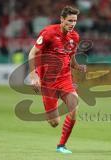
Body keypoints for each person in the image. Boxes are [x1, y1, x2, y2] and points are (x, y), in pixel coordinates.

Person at [28, 6, 86, 154]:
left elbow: (70, 57)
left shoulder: (75, 37)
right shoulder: (49, 33)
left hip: (65, 78)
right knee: (54, 123)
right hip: (48, 82)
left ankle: (61, 146)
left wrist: (78, 67)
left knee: (74, 106)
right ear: (62, 19)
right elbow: (32, 53)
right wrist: (34, 75)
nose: (72, 24)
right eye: (69, 20)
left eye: (74, 21)